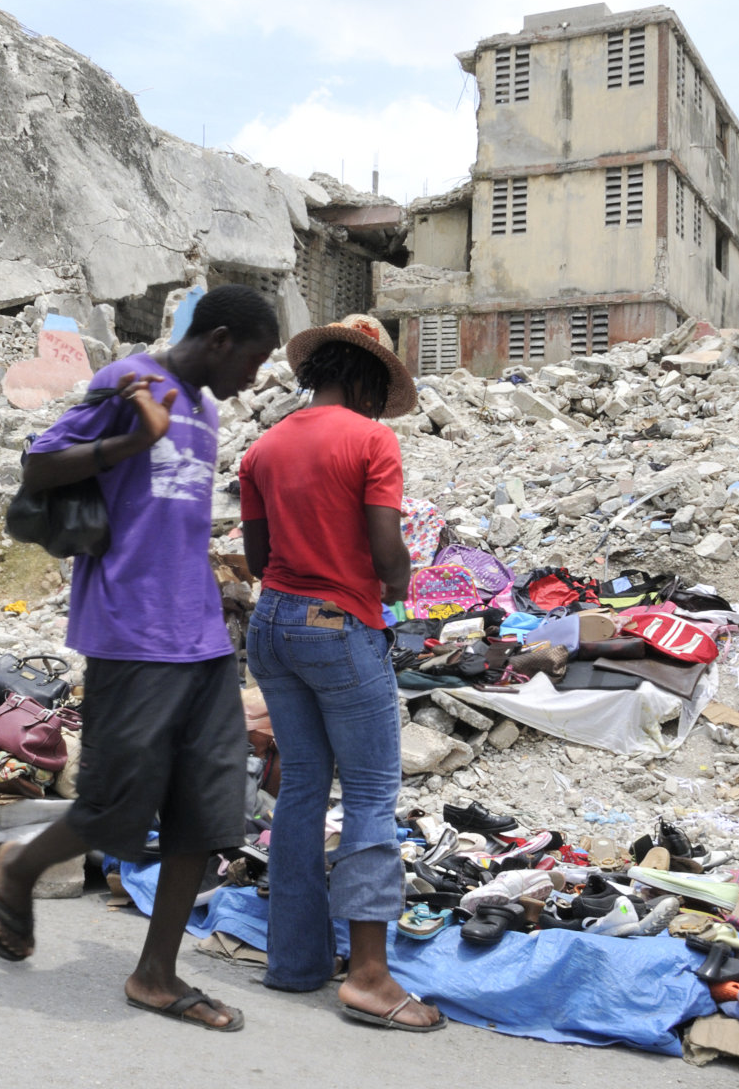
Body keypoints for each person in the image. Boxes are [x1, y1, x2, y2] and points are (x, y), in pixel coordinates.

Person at [0, 284, 278, 1032]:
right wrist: (132, 440)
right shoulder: (128, 382)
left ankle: (155, 975)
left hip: (202, 634)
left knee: (208, 812)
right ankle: (17, 866)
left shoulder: (206, 409)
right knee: (115, 804)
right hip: (129, 630)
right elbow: (40, 467)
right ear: (216, 339)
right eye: (251, 360)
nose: (253, 379)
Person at [238, 314, 444, 1032]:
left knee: (299, 788)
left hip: (272, 626)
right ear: (363, 379)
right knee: (368, 793)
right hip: (338, 627)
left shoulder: (263, 448)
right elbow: (388, 546)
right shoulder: (372, 440)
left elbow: (259, 560)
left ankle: (293, 963)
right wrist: (394, 586)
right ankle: (369, 977)